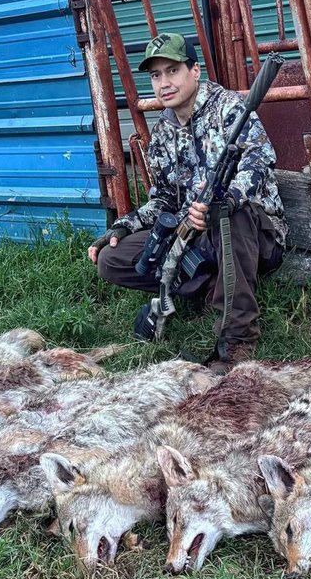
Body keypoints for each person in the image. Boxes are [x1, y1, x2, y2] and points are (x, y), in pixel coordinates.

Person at [87, 32, 287, 374]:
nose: (164, 82)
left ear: (194, 71)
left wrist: (228, 198)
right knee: (111, 260)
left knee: (229, 215)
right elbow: (162, 199)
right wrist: (124, 225)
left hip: (254, 231)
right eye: (155, 75)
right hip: (194, 234)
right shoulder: (163, 132)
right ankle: (213, 286)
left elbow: (259, 159)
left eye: (172, 70)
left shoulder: (229, 108)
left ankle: (236, 342)